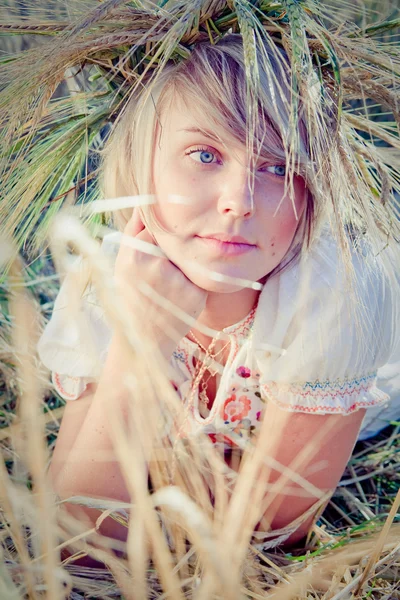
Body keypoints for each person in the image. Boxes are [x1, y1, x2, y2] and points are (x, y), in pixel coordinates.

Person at [36, 34, 400, 554]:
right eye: (204, 154)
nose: (239, 202)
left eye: (278, 167)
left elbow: (269, 534)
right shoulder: (108, 280)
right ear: (143, 165)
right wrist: (141, 345)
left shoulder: (337, 291)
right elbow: (78, 535)